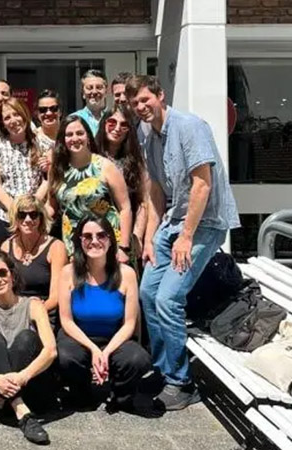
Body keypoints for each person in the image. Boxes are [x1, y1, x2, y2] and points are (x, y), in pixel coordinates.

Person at [126, 75, 240, 410]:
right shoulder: (146, 133)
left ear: (160, 95)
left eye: (146, 100)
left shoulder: (189, 126)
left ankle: (183, 382)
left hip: (203, 224)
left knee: (169, 298)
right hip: (173, 222)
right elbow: (156, 189)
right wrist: (151, 237)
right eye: (135, 104)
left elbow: (201, 184)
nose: (141, 108)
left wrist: (186, 237)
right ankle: (164, 369)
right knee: (148, 293)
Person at [56, 217, 160, 417]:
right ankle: (82, 393)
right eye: (87, 236)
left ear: (111, 240)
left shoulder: (127, 274)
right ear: (79, 241)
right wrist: (94, 349)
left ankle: (121, 395)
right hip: (78, 337)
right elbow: (66, 321)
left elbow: (130, 323)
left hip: (114, 338)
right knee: (66, 357)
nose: (94, 241)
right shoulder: (68, 273)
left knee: (138, 359)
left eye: (101, 235)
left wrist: (105, 353)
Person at [0, 251, 57, 445]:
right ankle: (21, 410)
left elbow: (50, 350)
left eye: (1, 272)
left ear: (12, 274)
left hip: (29, 387)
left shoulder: (33, 306)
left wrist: (22, 376)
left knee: (26, 338)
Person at [48, 115, 132, 259]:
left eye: (80, 133)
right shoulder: (57, 169)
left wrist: (123, 247)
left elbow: (125, 208)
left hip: (106, 243)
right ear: (63, 139)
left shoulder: (105, 166)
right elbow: (51, 207)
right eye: (69, 135)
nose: (75, 138)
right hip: (74, 247)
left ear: (88, 136)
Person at [0, 97, 47, 248]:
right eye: (7, 118)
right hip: (4, 217)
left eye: (17, 114)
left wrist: (31, 207)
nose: (13, 120)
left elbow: (48, 179)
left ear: (25, 115)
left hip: (34, 217)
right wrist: (16, 210)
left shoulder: (42, 144)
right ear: (2, 124)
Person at [1, 194, 67, 329]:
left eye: (33, 215)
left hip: (44, 313)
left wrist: (33, 312)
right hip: (13, 311)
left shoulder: (56, 247)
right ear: (15, 218)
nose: (28, 219)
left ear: (41, 218)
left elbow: (56, 297)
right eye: (22, 215)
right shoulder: (6, 247)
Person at [95, 105, 149, 269]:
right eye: (112, 122)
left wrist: (137, 236)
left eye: (124, 125)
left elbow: (143, 202)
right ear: (104, 124)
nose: (117, 128)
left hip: (125, 236)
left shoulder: (136, 163)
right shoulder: (92, 156)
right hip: (94, 234)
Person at [72, 69, 108, 136]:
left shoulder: (114, 118)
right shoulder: (74, 119)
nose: (94, 92)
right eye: (89, 88)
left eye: (99, 87)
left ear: (106, 92)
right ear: (83, 93)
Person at [34, 89, 62, 164]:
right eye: (43, 110)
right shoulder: (33, 139)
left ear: (60, 111)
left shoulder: (69, 135)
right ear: (37, 114)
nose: (49, 113)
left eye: (53, 109)